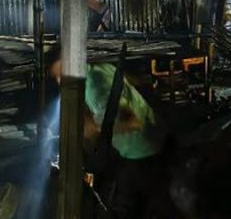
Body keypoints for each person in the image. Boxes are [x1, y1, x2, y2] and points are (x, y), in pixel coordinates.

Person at [46, 46, 178, 218]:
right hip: (156, 140)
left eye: (61, 74)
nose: (59, 81)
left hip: (142, 152)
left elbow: (132, 123)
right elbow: (126, 81)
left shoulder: (97, 88)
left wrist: (93, 128)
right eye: (56, 76)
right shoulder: (99, 69)